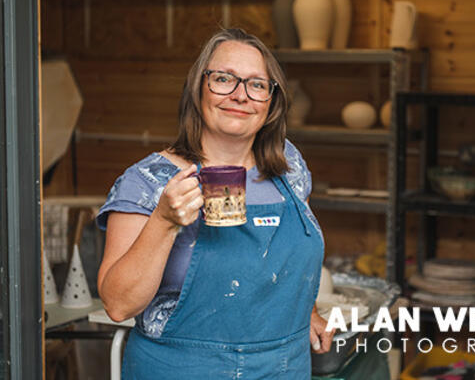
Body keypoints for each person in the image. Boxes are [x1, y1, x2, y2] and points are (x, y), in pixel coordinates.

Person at [96, 28, 334, 379]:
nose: (240, 95)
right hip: (184, 369)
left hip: (283, 368)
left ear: (271, 103)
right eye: (224, 79)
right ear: (198, 90)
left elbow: (285, 263)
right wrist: (163, 220)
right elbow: (118, 305)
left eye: (256, 84)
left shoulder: (289, 168)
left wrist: (305, 311)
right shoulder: (150, 181)